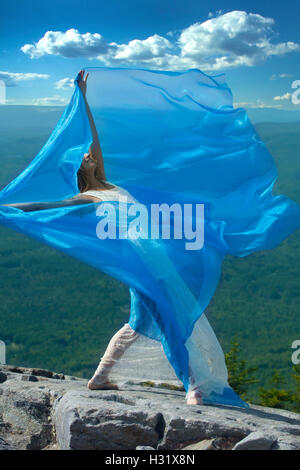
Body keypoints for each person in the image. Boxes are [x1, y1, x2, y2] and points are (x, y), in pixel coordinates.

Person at [2, 70, 203, 405]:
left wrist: (83, 97)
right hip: (140, 263)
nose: (90, 154)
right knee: (169, 317)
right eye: (85, 155)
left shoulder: (107, 182)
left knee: (138, 323)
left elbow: (92, 137)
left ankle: (100, 377)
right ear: (81, 170)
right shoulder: (86, 197)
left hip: (154, 256)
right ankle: (192, 385)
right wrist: (7, 208)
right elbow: (41, 206)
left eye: (90, 153)